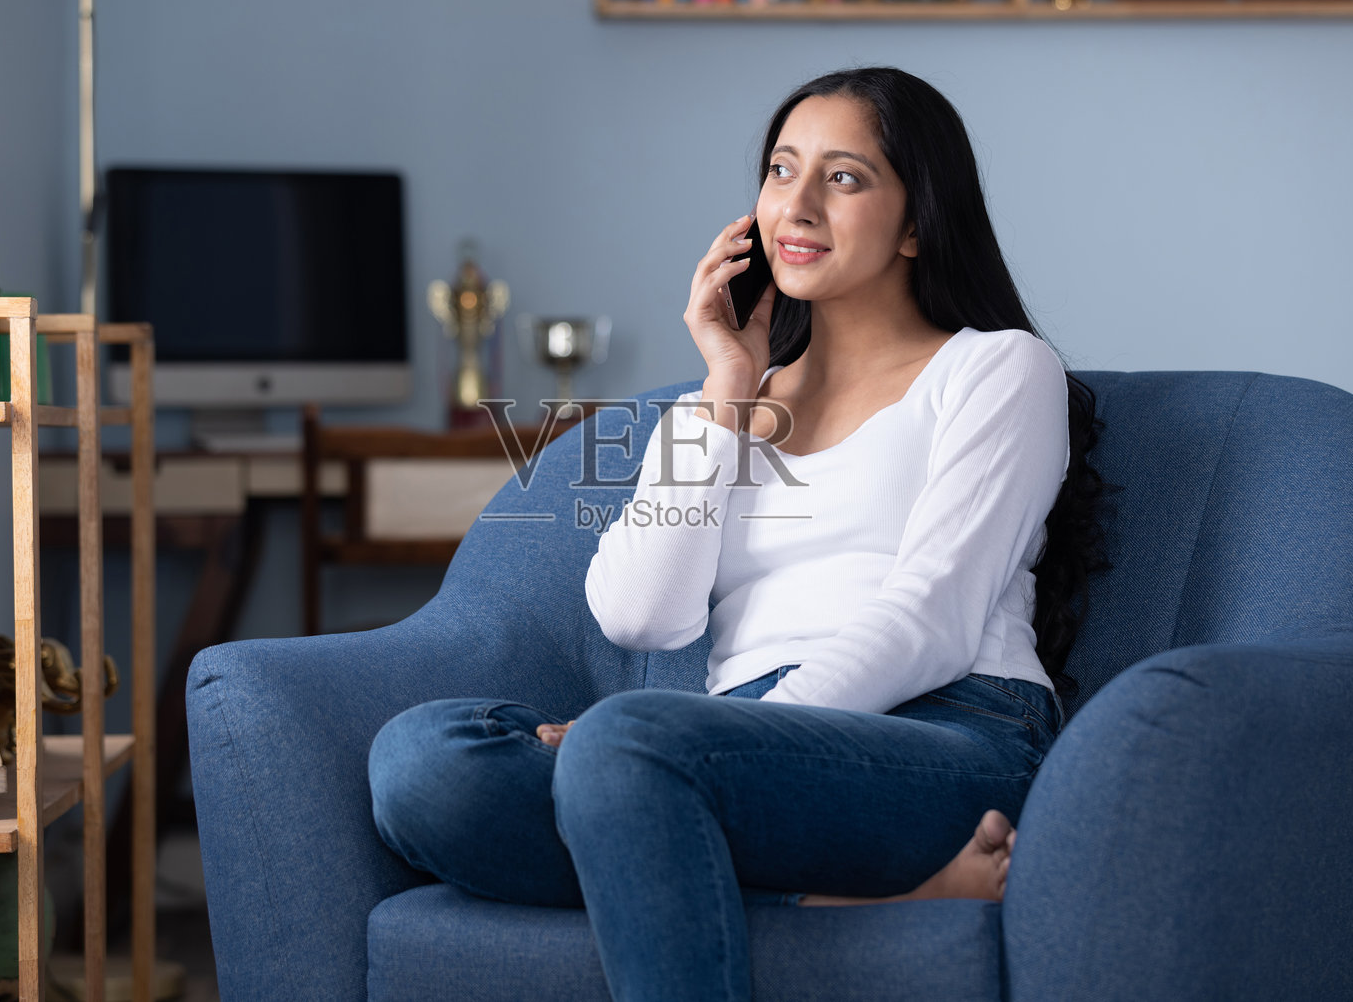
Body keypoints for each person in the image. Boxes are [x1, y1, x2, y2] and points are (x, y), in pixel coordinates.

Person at [368, 65, 1109, 1002]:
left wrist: (678, 737)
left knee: (625, 752)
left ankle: (677, 803)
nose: (794, 205)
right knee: (423, 762)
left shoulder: (998, 370)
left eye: (843, 177)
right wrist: (725, 384)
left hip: (949, 733)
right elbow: (639, 614)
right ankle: (848, 903)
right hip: (723, 755)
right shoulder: (721, 402)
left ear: (918, 221)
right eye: (779, 170)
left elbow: (936, 618)